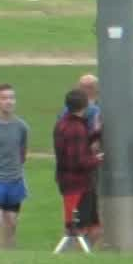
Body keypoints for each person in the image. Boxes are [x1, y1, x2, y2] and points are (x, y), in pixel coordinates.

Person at [53, 89, 103, 246]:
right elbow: (79, 161)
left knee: (93, 227)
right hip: (77, 185)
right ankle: (73, 258)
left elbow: (77, 146)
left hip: (72, 183)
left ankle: (81, 257)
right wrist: (98, 159)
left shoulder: (62, 124)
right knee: (77, 229)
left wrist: (96, 134)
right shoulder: (77, 128)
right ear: (86, 105)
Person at [0, 83, 28, 249]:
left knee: (12, 224)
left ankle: (9, 257)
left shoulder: (21, 127)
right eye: (4, 98)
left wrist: (16, 171)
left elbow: (22, 152)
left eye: (11, 98)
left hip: (15, 181)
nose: (9, 101)